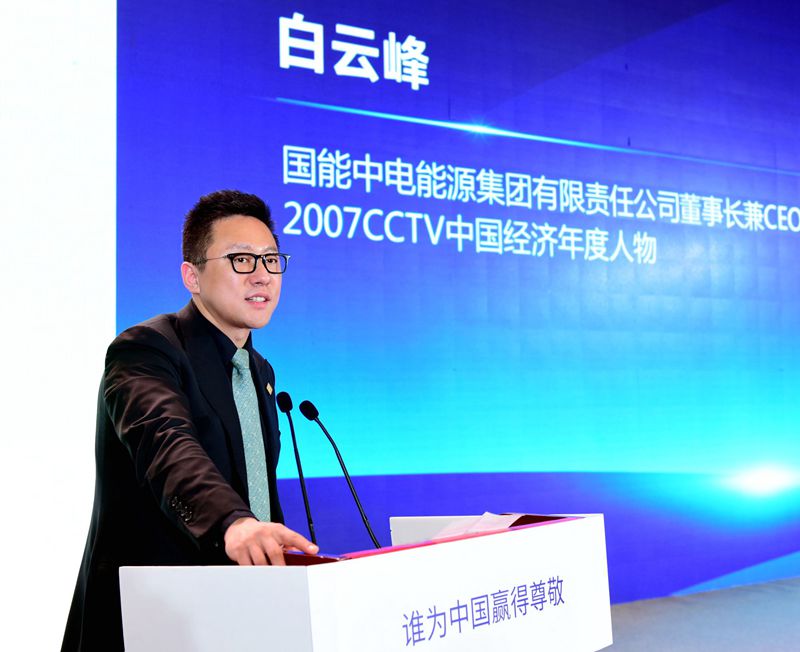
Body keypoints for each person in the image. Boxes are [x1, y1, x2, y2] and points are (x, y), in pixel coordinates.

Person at [62, 190, 317, 651]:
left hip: (239, 616)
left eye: (271, 260)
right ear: (192, 276)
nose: (262, 274)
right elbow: (167, 446)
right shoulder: (146, 350)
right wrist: (233, 523)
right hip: (154, 620)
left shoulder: (258, 372)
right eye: (241, 259)